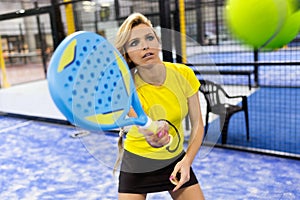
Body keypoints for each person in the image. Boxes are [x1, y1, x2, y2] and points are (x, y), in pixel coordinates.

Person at [114, 13, 205, 200]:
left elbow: (198, 125)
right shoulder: (127, 87)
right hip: (137, 163)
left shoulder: (184, 74)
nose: (145, 46)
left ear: (158, 42)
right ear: (128, 56)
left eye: (149, 38)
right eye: (134, 43)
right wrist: (152, 134)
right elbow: (149, 133)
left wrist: (187, 161)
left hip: (174, 160)